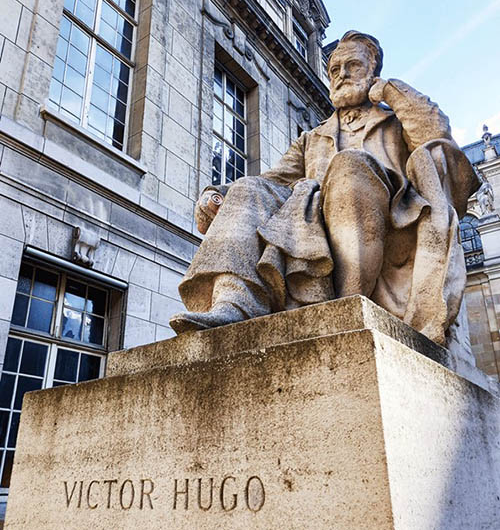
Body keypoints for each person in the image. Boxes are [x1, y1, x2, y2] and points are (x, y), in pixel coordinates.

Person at [170, 31, 479, 346]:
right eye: (334, 70)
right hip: (317, 225)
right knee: (249, 188)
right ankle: (233, 304)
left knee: (350, 165)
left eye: (353, 66)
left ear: (373, 72)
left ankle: (345, 310)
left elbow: (435, 134)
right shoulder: (312, 138)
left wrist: (390, 91)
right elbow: (273, 180)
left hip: (392, 224)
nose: (342, 75)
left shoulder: (395, 122)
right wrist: (221, 194)